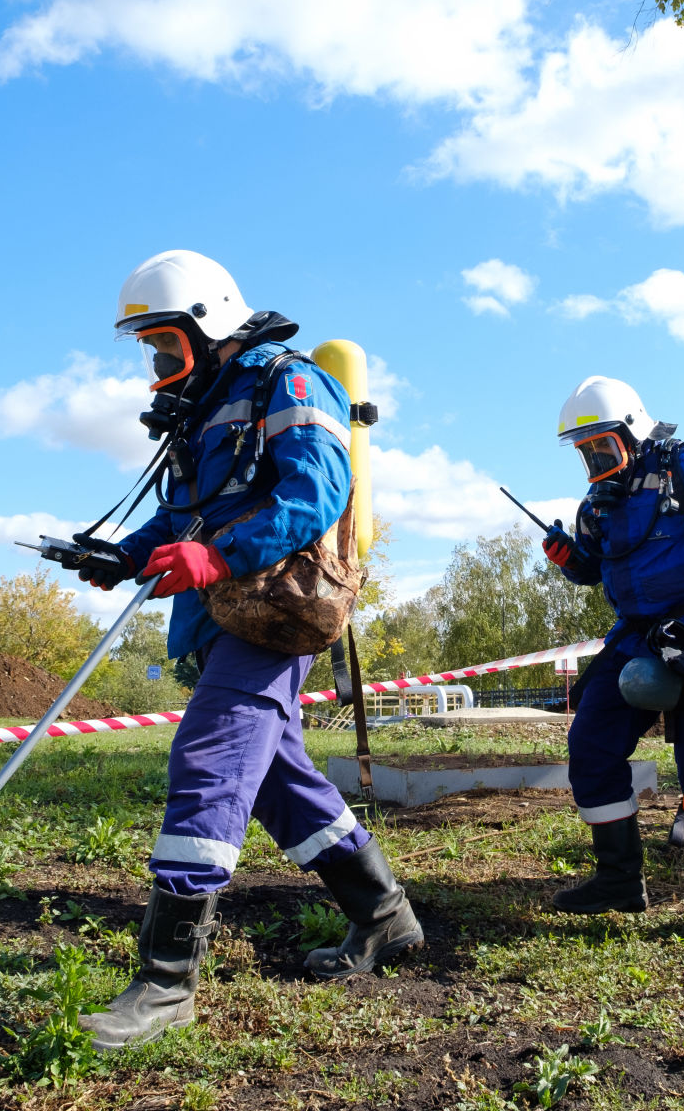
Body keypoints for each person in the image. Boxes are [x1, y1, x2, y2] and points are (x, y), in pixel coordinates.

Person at [62, 250, 421, 1051]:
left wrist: (221, 556)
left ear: (211, 329)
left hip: (279, 606)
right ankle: (384, 916)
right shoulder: (210, 407)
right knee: (277, 781)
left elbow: (316, 493)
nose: (159, 366)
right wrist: (118, 555)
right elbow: (184, 516)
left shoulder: (289, 382)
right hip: (227, 609)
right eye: (151, 349)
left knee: (211, 756)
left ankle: (165, 983)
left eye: (167, 346)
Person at [540, 376, 684, 943]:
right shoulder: (599, 502)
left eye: (602, 447)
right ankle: (618, 880)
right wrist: (569, 558)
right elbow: (593, 566)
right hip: (633, 635)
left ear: (631, 434)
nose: (594, 461)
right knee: (590, 741)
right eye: (586, 453)